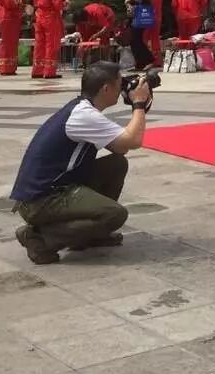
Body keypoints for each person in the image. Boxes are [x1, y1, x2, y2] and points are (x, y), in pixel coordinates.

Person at [9, 62, 153, 264]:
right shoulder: (83, 115)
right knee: (114, 214)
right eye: (120, 84)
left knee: (116, 164)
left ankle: (91, 235)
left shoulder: (82, 109)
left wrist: (138, 106)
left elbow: (121, 148)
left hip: (52, 188)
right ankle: (39, 238)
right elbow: (133, 141)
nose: (123, 88)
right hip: (41, 199)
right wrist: (138, 104)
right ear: (106, 89)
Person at [31, 0, 65, 80]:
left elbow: (35, 2)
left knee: (39, 44)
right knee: (51, 44)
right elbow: (58, 6)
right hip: (50, 19)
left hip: (39, 17)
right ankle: (49, 72)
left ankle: (37, 70)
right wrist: (66, 3)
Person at [124, 0, 156, 71]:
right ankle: (140, 63)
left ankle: (149, 60)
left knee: (135, 38)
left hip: (139, 15)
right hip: (133, 15)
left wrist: (130, 0)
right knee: (133, 39)